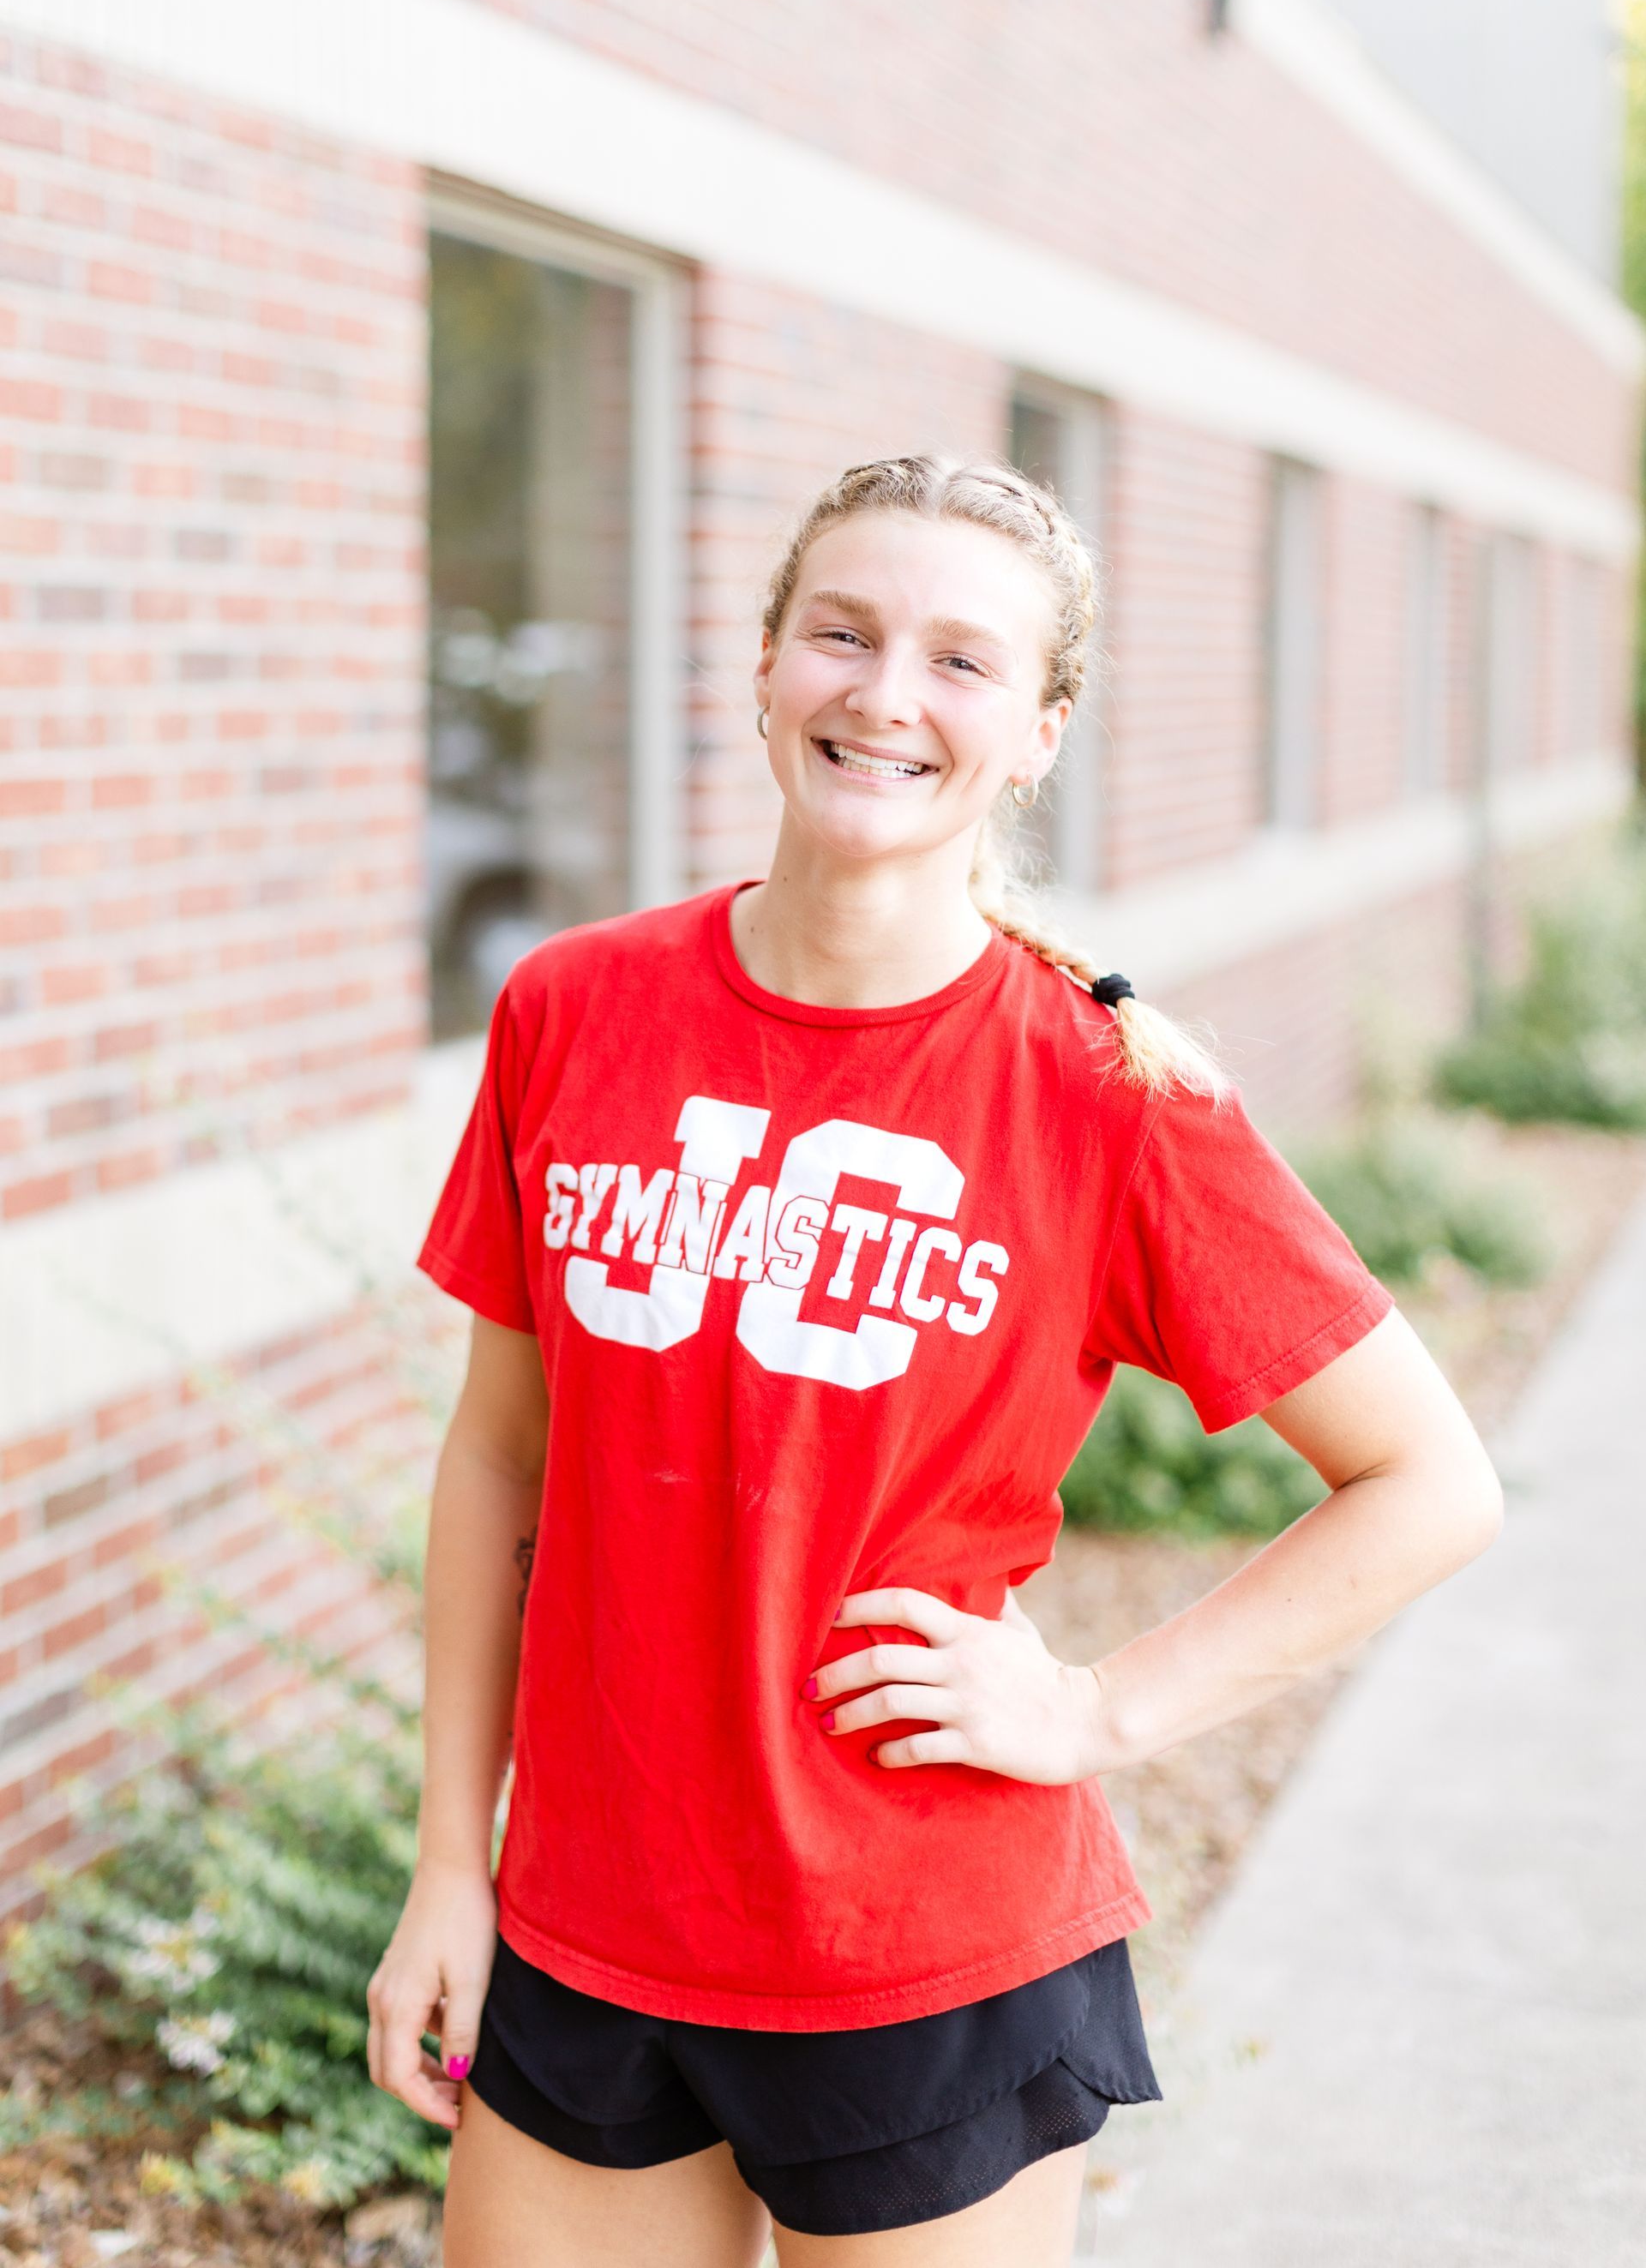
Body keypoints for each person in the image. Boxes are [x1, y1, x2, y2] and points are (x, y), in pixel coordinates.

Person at [367, 453, 1504, 2266]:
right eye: (844, 634)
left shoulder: (1106, 1093)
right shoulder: (572, 1010)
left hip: (926, 1954)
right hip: (589, 1925)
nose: (887, 695)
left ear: (1040, 731)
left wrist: (1100, 1712)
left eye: (963, 663)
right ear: (762, 667)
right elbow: (503, 1451)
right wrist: (452, 1857)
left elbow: (1430, 1480)